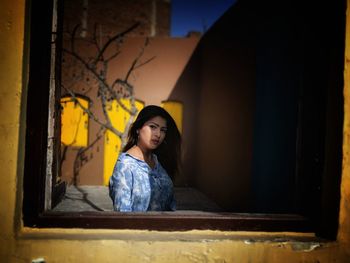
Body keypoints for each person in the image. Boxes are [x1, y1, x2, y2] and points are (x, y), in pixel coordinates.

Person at [109, 105, 181, 212]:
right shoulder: (125, 166)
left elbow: (171, 206)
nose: (158, 134)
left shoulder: (160, 161)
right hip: (136, 228)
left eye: (163, 130)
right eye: (152, 127)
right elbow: (122, 215)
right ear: (138, 128)